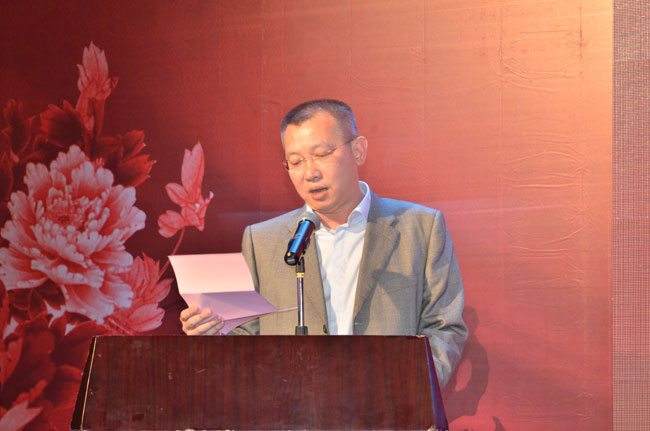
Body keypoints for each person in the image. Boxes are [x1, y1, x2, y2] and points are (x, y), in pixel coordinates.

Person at [180, 99, 467, 386]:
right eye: (295, 162)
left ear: (358, 150)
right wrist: (213, 334)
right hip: (293, 407)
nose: (310, 173)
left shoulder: (420, 227)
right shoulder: (261, 241)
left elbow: (444, 327)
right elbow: (247, 338)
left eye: (322, 154)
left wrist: (411, 392)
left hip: (391, 405)